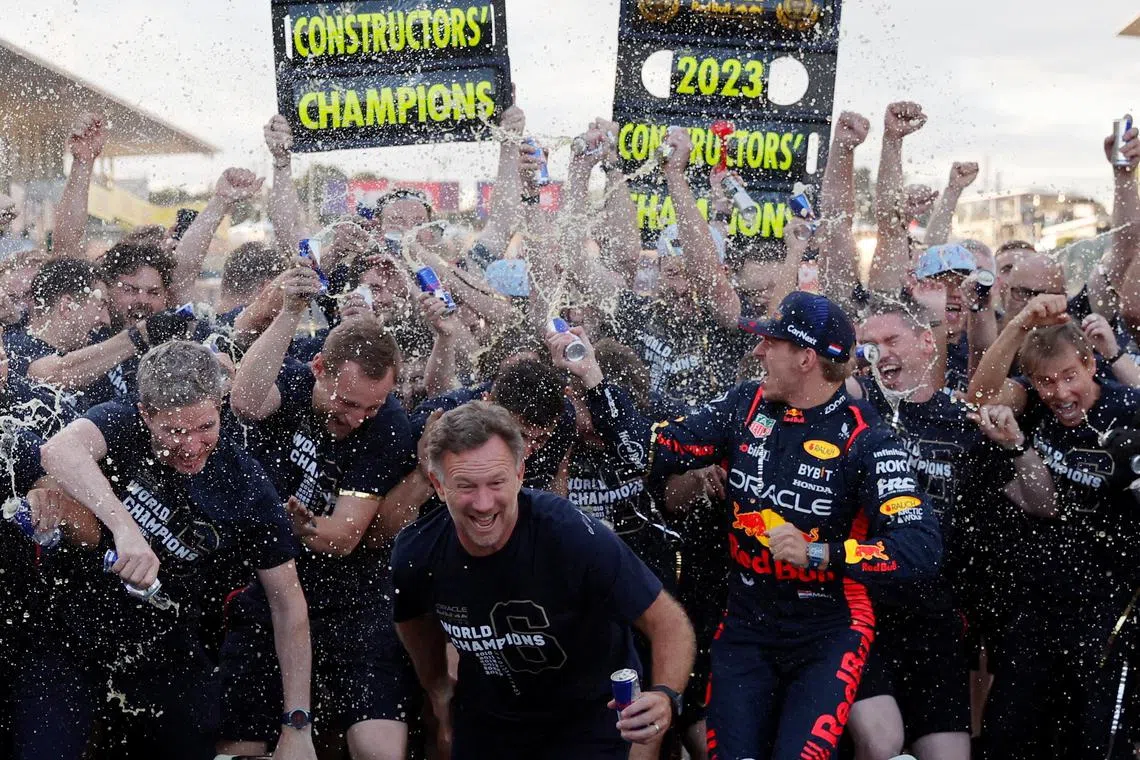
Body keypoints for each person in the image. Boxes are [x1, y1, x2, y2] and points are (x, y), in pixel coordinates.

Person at [554, 290, 943, 759]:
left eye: (770, 342)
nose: (756, 351)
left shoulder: (868, 437)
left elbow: (920, 547)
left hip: (828, 629)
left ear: (805, 357)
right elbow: (648, 453)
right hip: (747, 624)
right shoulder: (745, 404)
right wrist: (593, 377)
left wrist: (820, 553)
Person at [23, 340, 315, 760]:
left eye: (205, 427)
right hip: (73, 637)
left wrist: (298, 724)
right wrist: (126, 529)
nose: (192, 446)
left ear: (219, 406)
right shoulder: (124, 421)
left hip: (167, 653)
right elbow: (58, 450)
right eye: (174, 432)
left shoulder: (246, 487)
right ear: (146, 414)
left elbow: (288, 605)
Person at [391, 400, 696, 758]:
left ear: (520, 474)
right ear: (438, 486)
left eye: (496, 482)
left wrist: (664, 695)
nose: (484, 503)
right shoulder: (418, 552)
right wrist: (438, 687)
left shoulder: (568, 534)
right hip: (491, 719)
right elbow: (412, 619)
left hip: (590, 716)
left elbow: (669, 622)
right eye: (466, 486)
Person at [220, 265, 417, 760]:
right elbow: (243, 401)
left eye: (371, 407)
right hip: (271, 583)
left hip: (352, 597)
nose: (357, 419)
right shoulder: (291, 385)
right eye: (349, 403)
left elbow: (343, 537)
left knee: (378, 751)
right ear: (319, 371)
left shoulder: (388, 424)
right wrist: (289, 312)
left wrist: (299, 525)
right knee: (239, 747)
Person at [843, 293, 1026, 760]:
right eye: (868, 345)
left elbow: (1036, 504)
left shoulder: (965, 421)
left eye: (891, 340)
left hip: (936, 623)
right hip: (864, 612)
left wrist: (1014, 448)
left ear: (928, 344)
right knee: (878, 744)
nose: (881, 353)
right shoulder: (854, 417)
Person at [968, 295, 1140, 758]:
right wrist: (1020, 322)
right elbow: (980, 396)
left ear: (1089, 366)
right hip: (1041, 597)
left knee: (1097, 738)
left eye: (1069, 378)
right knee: (1008, 731)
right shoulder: (1033, 404)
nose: (1060, 393)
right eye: (1046, 381)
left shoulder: (1128, 410)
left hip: (1112, 604)